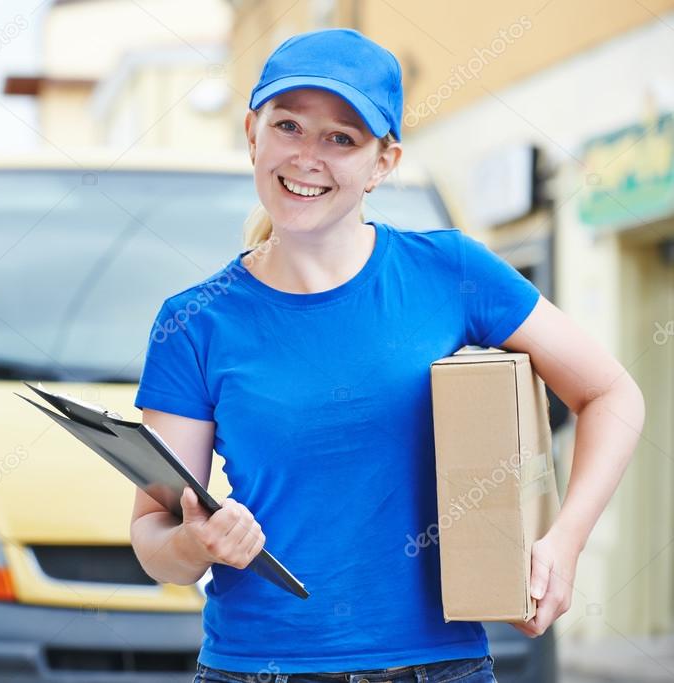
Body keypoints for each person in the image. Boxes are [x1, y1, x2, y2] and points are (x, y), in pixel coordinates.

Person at [129, 28, 645, 683]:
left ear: (383, 162)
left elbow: (611, 395)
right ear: (252, 133)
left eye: (341, 138)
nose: (307, 156)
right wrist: (191, 541)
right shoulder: (193, 321)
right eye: (288, 125)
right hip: (256, 666)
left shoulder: (449, 271)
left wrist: (564, 541)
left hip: (438, 665)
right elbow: (155, 542)